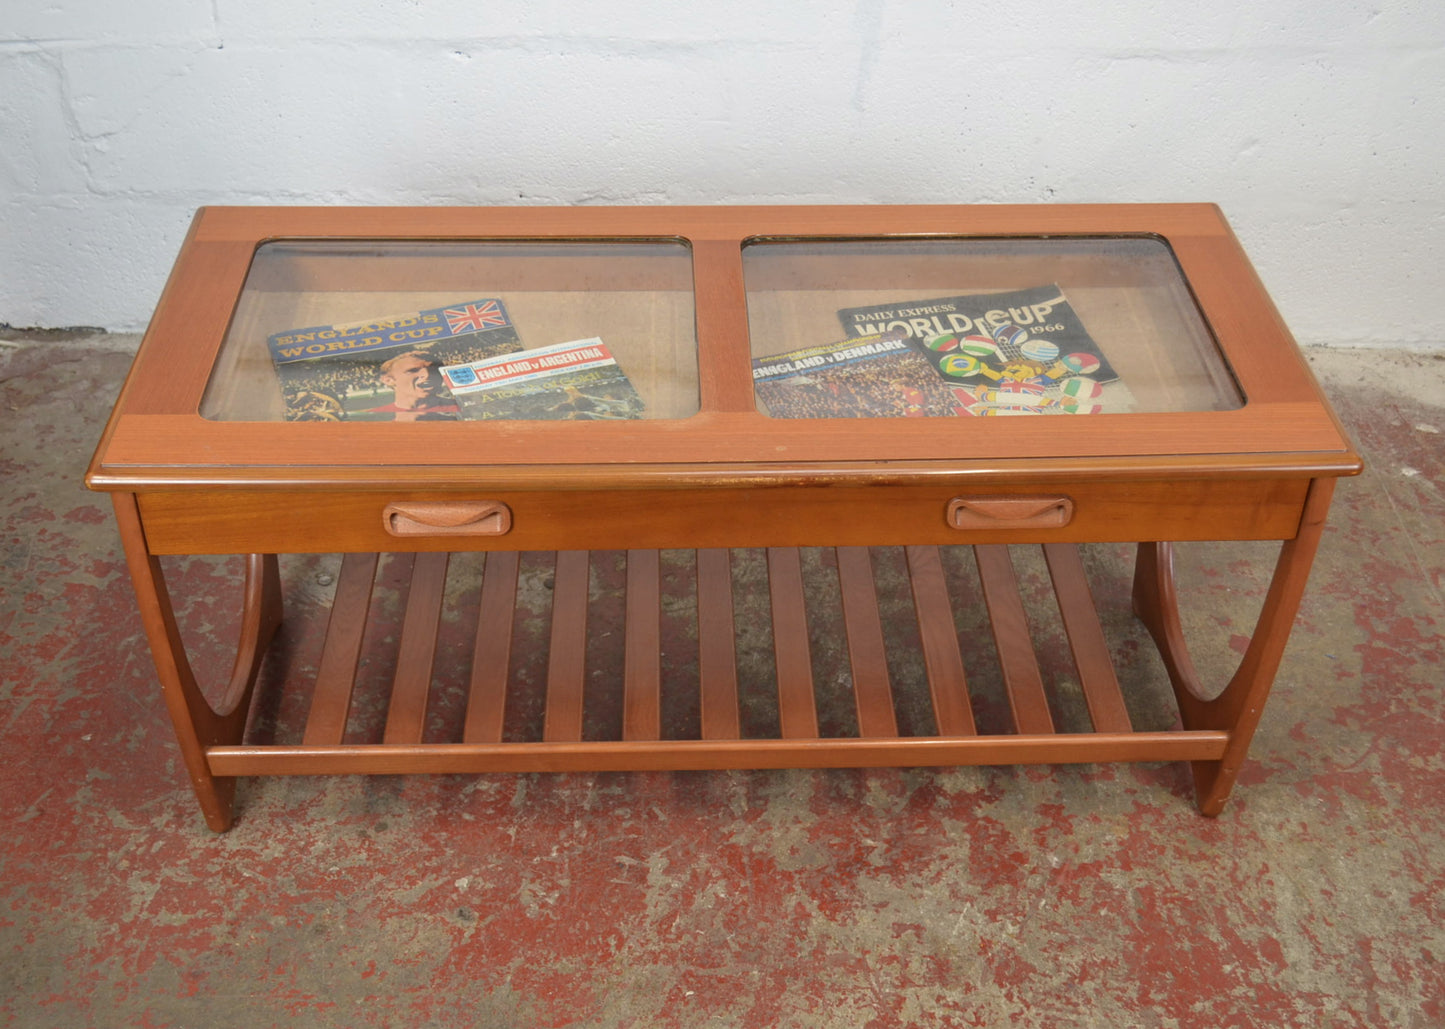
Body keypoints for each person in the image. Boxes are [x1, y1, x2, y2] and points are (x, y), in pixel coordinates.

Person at [364, 351, 460, 421]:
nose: (427, 374)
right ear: (388, 380)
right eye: (412, 371)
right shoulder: (374, 417)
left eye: (433, 369)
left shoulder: (462, 407)